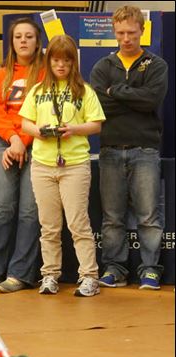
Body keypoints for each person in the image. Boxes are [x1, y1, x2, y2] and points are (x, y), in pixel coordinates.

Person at [19, 34, 106, 296]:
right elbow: (24, 123)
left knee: (79, 224)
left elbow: (96, 125)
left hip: (75, 165)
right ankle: (49, 275)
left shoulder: (84, 91)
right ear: (49, 61)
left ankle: (89, 276)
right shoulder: (37, 91)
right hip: (43, 165)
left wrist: (74, 129)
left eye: (66, 61)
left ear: (73, 63)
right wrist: (39, 131)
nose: (60, 65)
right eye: (56, 60)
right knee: (49, 226)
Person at [90, 5, 168, 290]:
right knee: (112, 217)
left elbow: (150, 101)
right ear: (114, 32)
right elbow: (100, 105)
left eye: (131, 33)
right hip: (110, 149)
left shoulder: (156, 65)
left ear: (142, 31)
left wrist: (116, 92)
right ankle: (115, 268)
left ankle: (150, 270)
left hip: (145, 150)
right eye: (121, 33)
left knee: (148, 215)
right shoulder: (102, 67)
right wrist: (130, 98)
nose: (126, 38)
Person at [0, 18, 44, 293]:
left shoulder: (45, 76)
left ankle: (20, 273)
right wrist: (13, 141)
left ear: (38, 41)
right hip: (6, 143)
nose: (24, 41)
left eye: (29, 36)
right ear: (12, 42)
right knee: (3, 207)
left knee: (30, 211)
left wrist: (24, 141)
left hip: (37, 145)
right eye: (18, 37)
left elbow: (43, 113)